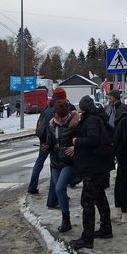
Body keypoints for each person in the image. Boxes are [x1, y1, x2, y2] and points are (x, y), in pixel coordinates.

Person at [69, 95, 114, 250]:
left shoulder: (92, 120)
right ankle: (106, 229)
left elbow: (93, 139)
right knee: (100, 198)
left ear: (84, 108)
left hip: (93, 168)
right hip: (99, 166)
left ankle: (87, 238)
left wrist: (77, 141)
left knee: (87, 203)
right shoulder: (95, 117)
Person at [28, 88, 71, 211]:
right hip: (55, 143)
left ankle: (32, 186)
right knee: (57, 169)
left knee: (39, 163)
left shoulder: (47, 108)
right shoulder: (61, 108)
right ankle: (57, 197)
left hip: (44, 142)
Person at [46, 99, 80, 233]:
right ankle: (65, 220)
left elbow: (82, 139)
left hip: (68, 161)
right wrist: (47, 146)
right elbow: (50, 141)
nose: (58, 118)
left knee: (60, 188)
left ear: (66, 115)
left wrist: (75, 147)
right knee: (58, 189)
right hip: (55, 161)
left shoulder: (75, 124)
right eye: (56, 116)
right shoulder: (52, 125)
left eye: (61, 116)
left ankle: (66, 219)